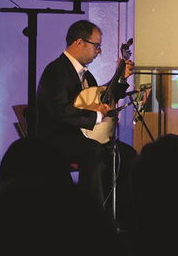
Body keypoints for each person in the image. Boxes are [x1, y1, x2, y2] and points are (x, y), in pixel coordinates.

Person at [35, 19, 136, 224]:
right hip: (58, 137)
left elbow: (100, 98)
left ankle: (121, 219)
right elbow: (59, 111)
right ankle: (92, 220)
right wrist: (97, 116)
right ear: (79, 42)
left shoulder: (86, 75)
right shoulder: (56, 71)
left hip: (81, 136)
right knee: (95, 152)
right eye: (96, 45)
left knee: (127, 155)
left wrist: (121, 79)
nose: (98, 51)